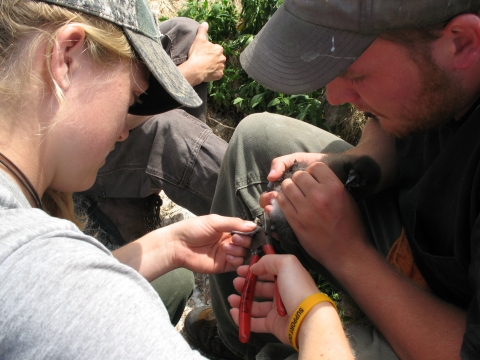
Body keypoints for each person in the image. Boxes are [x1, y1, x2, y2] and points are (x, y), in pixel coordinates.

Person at [183, 0, 480, 359]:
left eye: (355, 76)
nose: (334, 96)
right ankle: (239, 343)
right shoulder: (441, 69)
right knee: (255, 138)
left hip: (446, 332)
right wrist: (356, 164)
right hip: (416, 241)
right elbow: (391, 125)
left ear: (463, 43)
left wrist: (346, 252)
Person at [0, 0, 258, 357]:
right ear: (66, 58)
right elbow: (55, 292)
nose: (123, 132)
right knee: (168, 127)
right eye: (133, 97)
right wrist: (313, 317)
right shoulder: (45, 273)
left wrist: (168, 246)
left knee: (176, 277)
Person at [76, 16, 228, 325]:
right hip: (78, 141)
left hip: (88, 106)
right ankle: (271, 213)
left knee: (182, 35)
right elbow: (105, 123)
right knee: (168, 130)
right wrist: (189, 75)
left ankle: (134, 189)